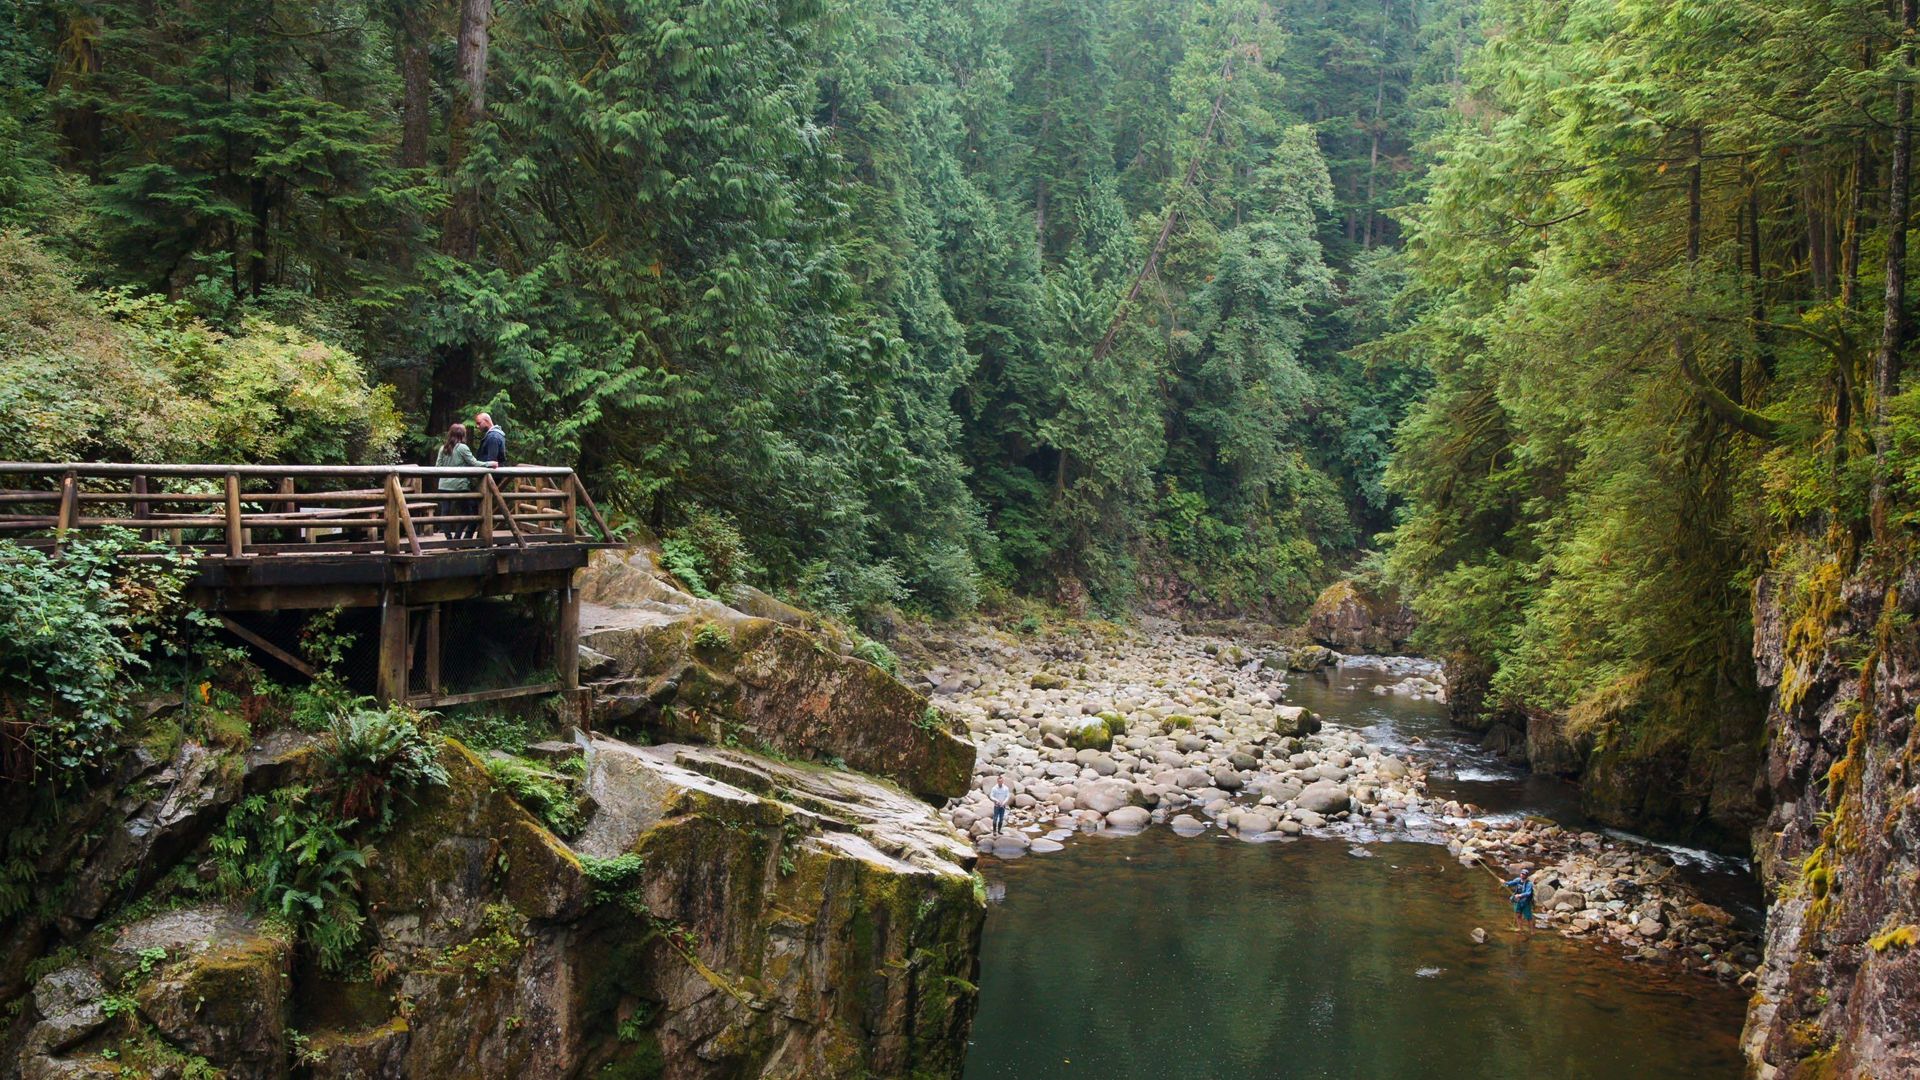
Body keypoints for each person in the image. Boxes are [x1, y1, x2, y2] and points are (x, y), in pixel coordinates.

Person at [434, 423, 491, 539]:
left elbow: (437, 466)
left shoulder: (443, 448)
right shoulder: (462, 448)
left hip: (444, 485)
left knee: (445, 513)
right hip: (460, 486)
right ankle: (457, 537)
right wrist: (489, 464)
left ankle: (449, 539)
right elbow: (474, 463)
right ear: (463, 434)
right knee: (467, 513)